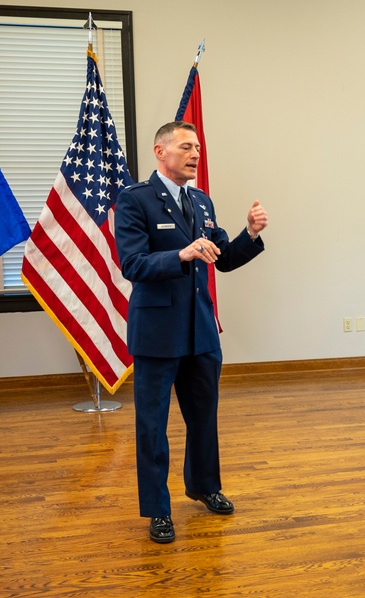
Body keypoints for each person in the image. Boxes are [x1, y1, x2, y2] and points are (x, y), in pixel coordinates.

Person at [115, 121, 269, 544]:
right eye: (185, 146)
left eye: (197, 146)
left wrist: (250, 234)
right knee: (152, 425)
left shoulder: (201, 202)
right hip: (157, 332)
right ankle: (158, 511)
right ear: (159, 152)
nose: (195, 153)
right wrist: (180, 254)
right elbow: (132, 264)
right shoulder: (135, 200)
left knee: (204, 418)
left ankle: (204, 486)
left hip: (200, 332)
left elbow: (222, 258)